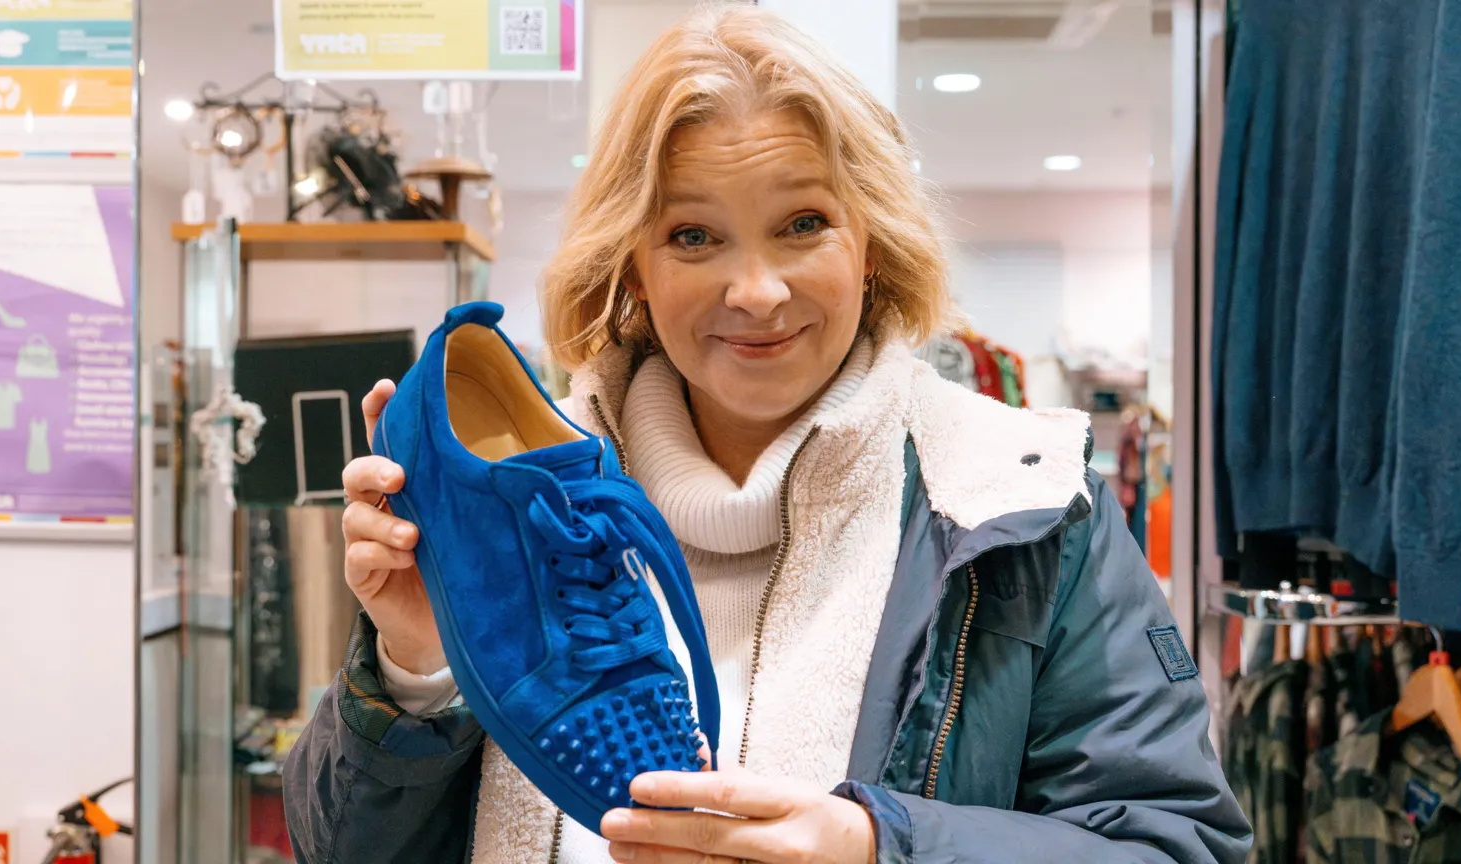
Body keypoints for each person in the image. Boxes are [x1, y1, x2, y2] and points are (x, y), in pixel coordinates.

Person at [283, 5, 1251, 862]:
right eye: (693, 236)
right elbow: (340, 848)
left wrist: (879, 849)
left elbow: (1177, 844)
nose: (755, 291)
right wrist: (417, 665)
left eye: (802, 224)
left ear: (868, 243)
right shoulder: (525, 508)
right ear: (633, 266)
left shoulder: (1023, 506)